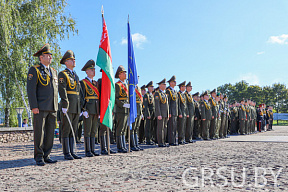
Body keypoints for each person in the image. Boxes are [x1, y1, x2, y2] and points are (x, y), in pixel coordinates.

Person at [27, 43, 58, 166]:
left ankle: (47, 155)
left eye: (50, 55)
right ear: (41, 57)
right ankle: (39, 156)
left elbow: (55, 90)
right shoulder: (34, 70)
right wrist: (34, 106)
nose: (50, 57)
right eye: (47, 55)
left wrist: (57, 106)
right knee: (40, 133)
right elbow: (31, 89)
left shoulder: (54, 71)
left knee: (50, 133)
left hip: (52, 107)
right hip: (40, 107)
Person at [58, 50, 82, 160]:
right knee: (66, 129)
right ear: (66, 62)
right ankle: (66, 152)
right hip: (68, 106)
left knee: (74, 129)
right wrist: (64, 104)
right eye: (72, 59)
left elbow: (79, 92)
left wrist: (81, 106)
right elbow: (62, 90)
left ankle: (72, 151)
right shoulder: (63, 74)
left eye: (74, 59)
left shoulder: (76, 75)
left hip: (76, 106)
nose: (74, 61)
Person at [79, 59, 100, 157]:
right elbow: (81, 97)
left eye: (94, 70)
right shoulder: (83, 83)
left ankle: (92, 149)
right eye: (91, 70)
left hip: (95, 109)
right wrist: (83, 110)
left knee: (93, 131)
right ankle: (87, 151)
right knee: (87, 131)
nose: (93, 71)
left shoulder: (96, 83)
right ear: (86, 71)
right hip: (88, 109)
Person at [115, 65, 130, 153]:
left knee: (124, 128)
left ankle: (123, 145)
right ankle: (119, 147)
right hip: (121, 109)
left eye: (125, 72)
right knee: (120, 128)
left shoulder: (126, 85)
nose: (125, 74)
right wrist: (123, 105)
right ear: (119, 75)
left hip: (126, 109)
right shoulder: (117, 85)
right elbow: (116, 98)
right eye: (123, 73)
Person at [154, 78, 169, 147]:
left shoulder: (164, 94)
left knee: (165, 128)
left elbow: (167, 105)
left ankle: (164, 141)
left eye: (165, 84)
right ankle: (160, 142)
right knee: (160, 128)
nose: (165, 86)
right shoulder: (157, 93)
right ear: (160, 85)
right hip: (161, 114)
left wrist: (168, 114)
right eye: (164, 84)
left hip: (165, 114)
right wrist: (158, 114)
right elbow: (157, 105)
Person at [166, 75, 178, 146]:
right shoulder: (168, 91)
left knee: (174, 127)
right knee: (171, 127)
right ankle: (171, 141)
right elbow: (168, 103)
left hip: (175, 112)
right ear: (170, 83)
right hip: (171, 112)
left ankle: (174, 140)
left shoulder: (175, 91)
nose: (175, 82)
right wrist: (169, 112)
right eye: (174, 81)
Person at [143, 81, 155, 145]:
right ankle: (148, 140)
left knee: (151, 127)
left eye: (153, 86)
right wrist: (147, 114)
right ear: (148, 88)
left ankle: (150, 138)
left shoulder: (151, 95)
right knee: (148, 127)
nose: (153, 88)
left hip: (152, 113)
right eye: (151, 86)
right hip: (149, 113)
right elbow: (146, 106)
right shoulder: (146, 95)